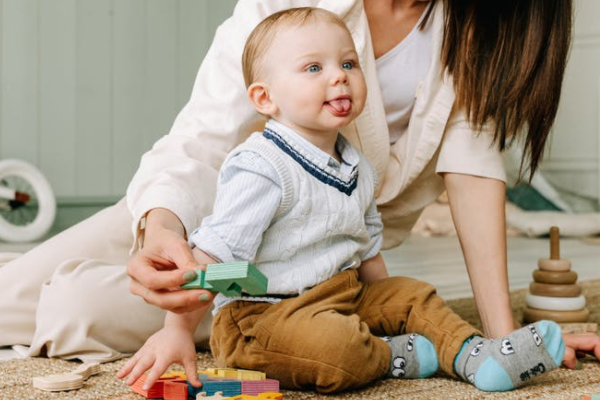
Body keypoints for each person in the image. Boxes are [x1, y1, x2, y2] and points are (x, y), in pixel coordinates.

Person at [0, 0, 596, 368]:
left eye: (344, 68)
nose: (338, 80)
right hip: (218, 206)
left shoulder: (480, 29)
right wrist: (160, 224)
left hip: (310, 266)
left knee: (75, 306)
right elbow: (203, 135)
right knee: (12, 291)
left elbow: (472, 170)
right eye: (317, 68)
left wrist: (504, 339)